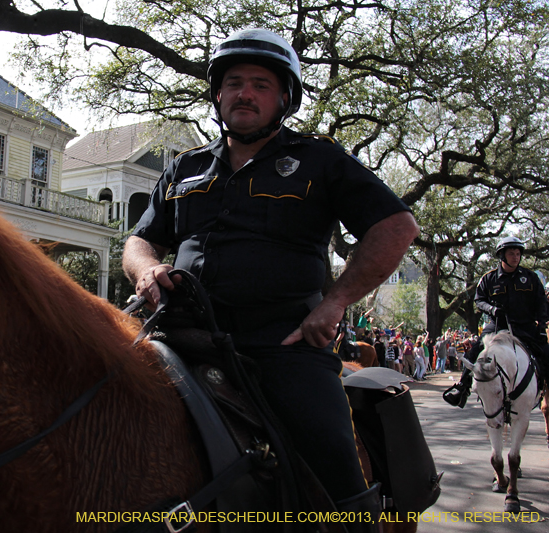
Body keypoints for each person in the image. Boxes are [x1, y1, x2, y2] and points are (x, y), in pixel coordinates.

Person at [122, 27, 419, 524]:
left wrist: (335, 301)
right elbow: (138, 239)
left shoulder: (318, 160)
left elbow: (395, 227)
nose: (245, 93)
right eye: (234, 82)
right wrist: (147, 267)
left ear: (284, 98)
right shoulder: (183, 168)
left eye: (261, 84)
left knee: (329, 456)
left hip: (281, 343)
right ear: (218, 95)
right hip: (180, 332)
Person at [443, 236, 549, 407]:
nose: (516, 257)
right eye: (511, 254)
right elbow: (479, 300)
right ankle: (462, 388)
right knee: (474, 352)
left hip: (525, 326)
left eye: (517, 254)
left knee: (547, 353)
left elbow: (541, 303)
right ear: (502, 256)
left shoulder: (530, 277)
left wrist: (542, 327)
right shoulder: (489, 279)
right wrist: (492, 310)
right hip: (498, 326)